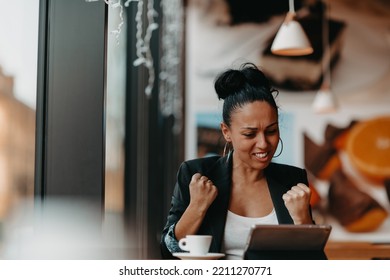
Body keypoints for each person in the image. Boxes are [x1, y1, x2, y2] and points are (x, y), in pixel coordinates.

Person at [160, 62, 314, 260]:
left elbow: (314, 264)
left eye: (271, 131)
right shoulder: (196, 174)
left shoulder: (292, 179)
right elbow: (167, 252)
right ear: (226, 132)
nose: (263, 144)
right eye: (250, 134)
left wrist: (304, 221)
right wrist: (197, 206)